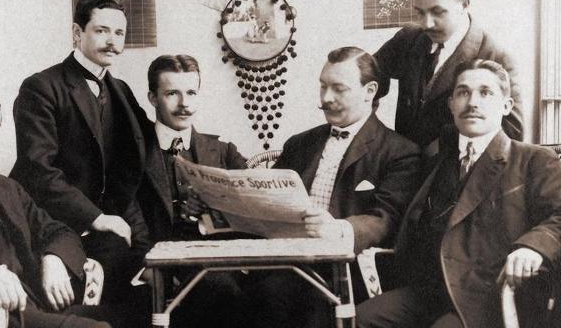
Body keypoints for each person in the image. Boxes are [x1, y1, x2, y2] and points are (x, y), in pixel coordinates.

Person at [356, 59, 561, 328]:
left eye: (486, 93)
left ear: (506, 106)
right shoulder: (436, 162)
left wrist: (533, 248)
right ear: (451, 104)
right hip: (431, 291)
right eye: (463, 92)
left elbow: (559, 216)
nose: (473, 102)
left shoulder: (534, 160)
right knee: (358, 320)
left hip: (490, 296)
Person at [0, 88, 129, 328]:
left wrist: (54, 258)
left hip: (32, 304)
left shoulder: (7, 187)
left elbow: (59, 231)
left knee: (136, 316)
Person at [248, 47, 421, 328]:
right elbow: (269, 199)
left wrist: (338, 229)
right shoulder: (299, 144)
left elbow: (385, 219)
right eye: (323, 86)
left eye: (339, 89)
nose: (326, 98)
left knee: (302, 307)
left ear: (369, 91)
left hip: (345, 274)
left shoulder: (400, 153)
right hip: (287, 265)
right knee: (241, 296)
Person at [10, 0, 152, 304]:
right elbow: (38, 171)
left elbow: (142, 151)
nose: (112, 41)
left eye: (119, 33)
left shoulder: (121, 90)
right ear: (77, 33)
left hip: (112, 226)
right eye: (101, 30)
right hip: (53, 226)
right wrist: (96, 218)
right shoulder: (41, 87)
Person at [135, 54, 249, 328]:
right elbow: (131, 222)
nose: (184, 103)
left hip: (220, 266)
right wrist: (149, 268)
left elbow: (253, 208)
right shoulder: (133, 155)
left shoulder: (224, 152)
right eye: (172, 93)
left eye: (191, 93)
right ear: (153, 98)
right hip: (158, 267)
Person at [375, 0, 523, 151]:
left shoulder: (496, 56)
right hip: (403, 163)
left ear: (464, 4)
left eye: (437, 12)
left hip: (452, 167)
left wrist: (439, 149)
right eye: (420, 13)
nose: (427, 24)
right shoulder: (408, 38)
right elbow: (366, 79)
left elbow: (512, 134)